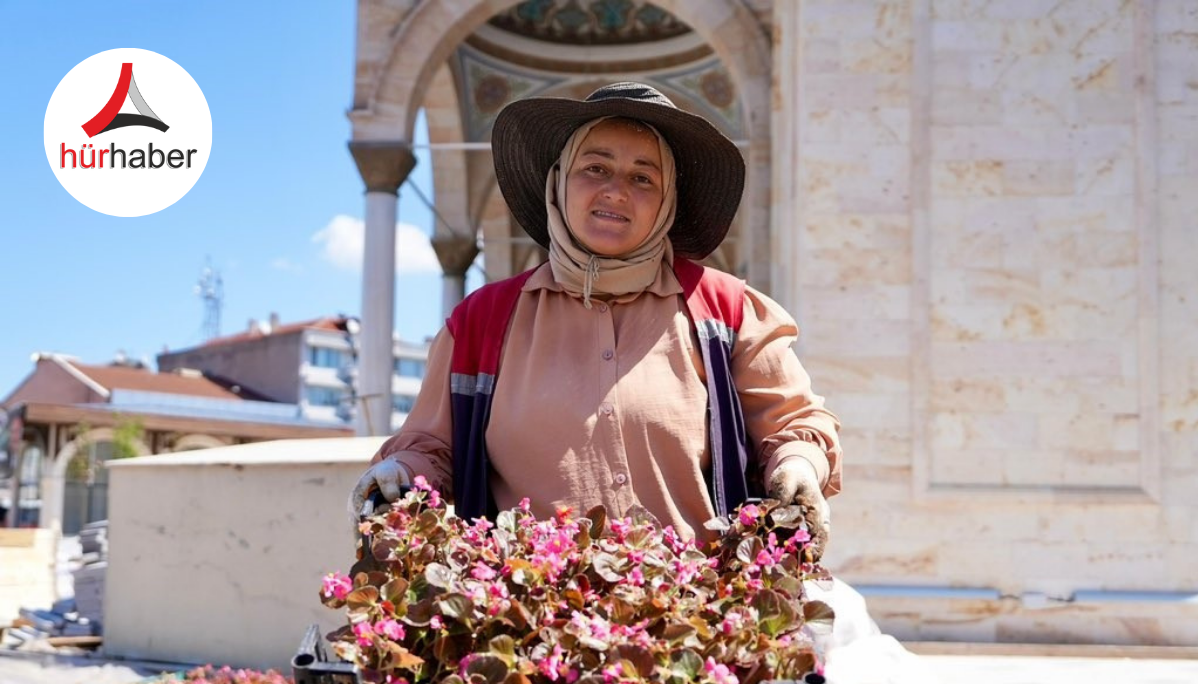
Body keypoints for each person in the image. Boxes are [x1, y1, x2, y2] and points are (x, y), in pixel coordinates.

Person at [349, 82, 841, 550]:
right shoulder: (481, 321)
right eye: (595, 168)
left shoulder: (728, 309)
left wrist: (797, 463)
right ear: (559, 184)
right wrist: (401, 471)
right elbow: (432, 447)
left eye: (643, 177)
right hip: (526, 622)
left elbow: (796, 423)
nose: (616, 191)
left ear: (667, 202)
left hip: (700, 618)